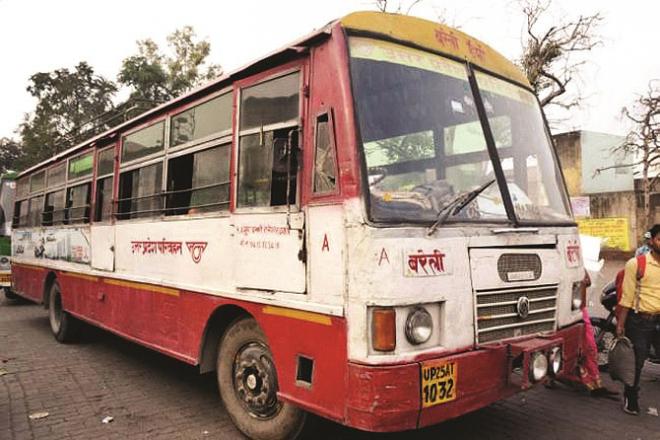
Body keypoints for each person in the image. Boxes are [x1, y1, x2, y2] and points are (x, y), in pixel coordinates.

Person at [616, 224, 660, 415]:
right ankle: (631, 397)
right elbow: (626, 297)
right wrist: (620, 324)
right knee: (638, 361)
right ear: (652, 241)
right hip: (640, 321)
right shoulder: (636, 264)